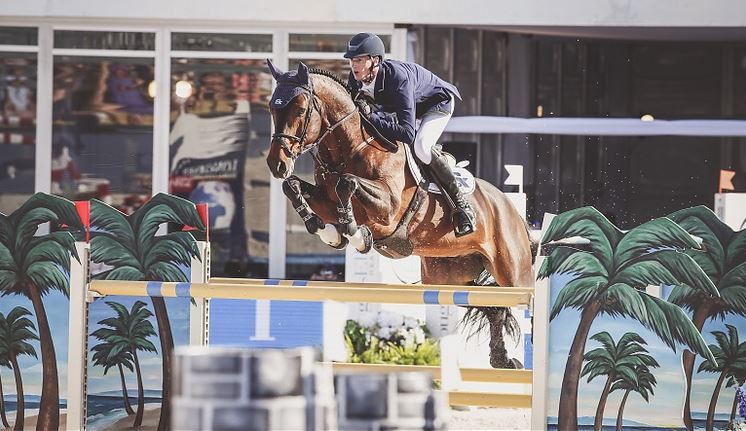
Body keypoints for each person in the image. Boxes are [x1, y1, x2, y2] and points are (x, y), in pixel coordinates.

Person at [344, 32, 476, 237]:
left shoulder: (398, 78)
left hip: (437, 104)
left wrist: (373, 117)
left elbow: (407, 133)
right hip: (409, 110)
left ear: (375, 60)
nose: (354, 65)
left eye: (359, 60)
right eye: (352, 60)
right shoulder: (355, 80)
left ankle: (462, 206)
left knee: (421, 148)